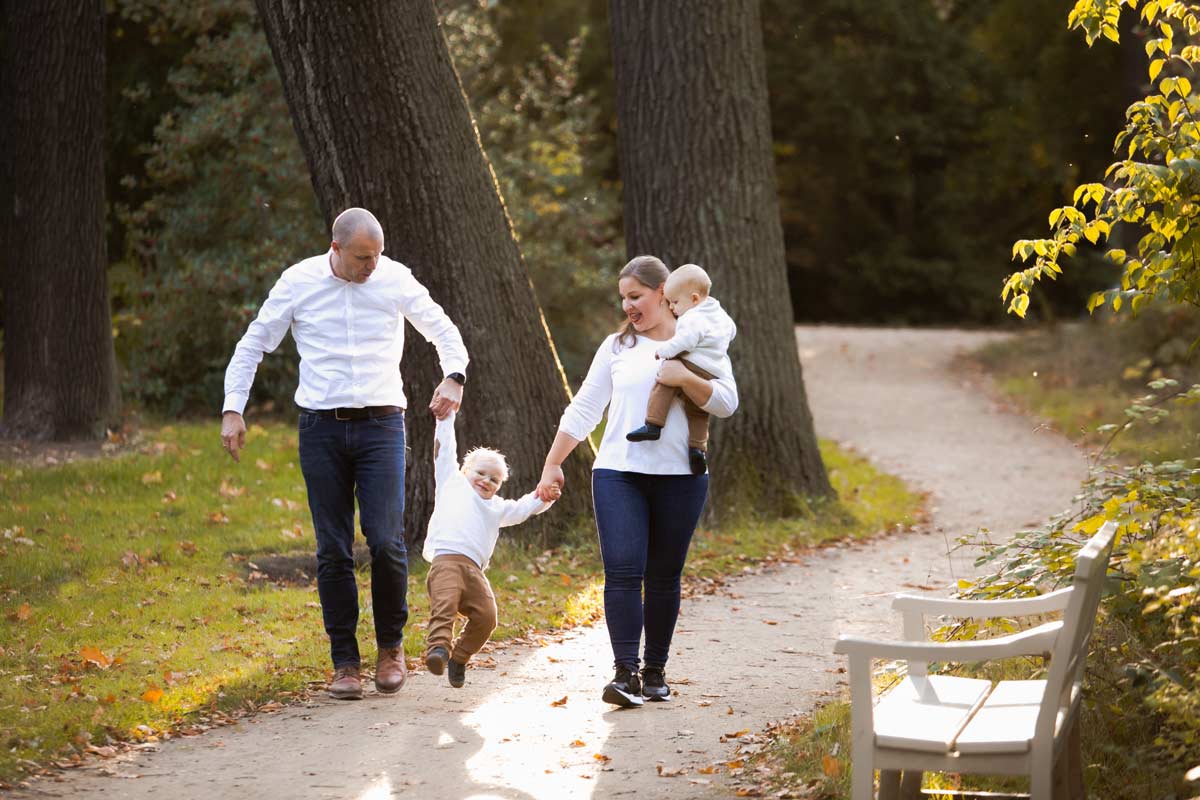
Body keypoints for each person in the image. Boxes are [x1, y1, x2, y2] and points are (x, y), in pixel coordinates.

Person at [219, 207, 468, 701]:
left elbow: (443, 330)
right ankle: (345, 662)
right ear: (335, 248)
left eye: (376, 256)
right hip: (321, 429)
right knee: (332, 547)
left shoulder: (394, 277)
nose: (372, 266)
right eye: (362, 258)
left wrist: (454, 377)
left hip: (382, 425)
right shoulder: (298, 281)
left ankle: (391, 648)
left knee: (386, 540)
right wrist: (233, 408)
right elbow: (253, 345)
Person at [535, 255, 739, 707]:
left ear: (663, 294)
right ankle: (624, 674)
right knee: (623, 571)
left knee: (664, 576)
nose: (627, 306)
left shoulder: (700, 340)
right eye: (623, 298)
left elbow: (727, 402)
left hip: (681, 478)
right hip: (618, 473)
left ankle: (655, 672)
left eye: (635, 296)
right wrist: (553, 463)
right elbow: (585, 408)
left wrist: (684, 376)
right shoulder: (617, 347)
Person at [421, 411, 559, 688]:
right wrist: (445, 418)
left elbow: (524, 508)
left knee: (487, 616)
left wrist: (545, 496)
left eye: (494, 480)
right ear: (465, 471)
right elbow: (445, 449)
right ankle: (438, 649)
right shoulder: (452, 484)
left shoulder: (497, 508)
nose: (486, 481)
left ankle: (459, 657)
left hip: (475, 572)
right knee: (445, 607)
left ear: (499, 486)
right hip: (446, 562)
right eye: (480, 473)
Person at [626, 263, 737, 475]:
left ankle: (653, 424)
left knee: (665, 382)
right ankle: (697, 449)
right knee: (698, 412)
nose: (672, 308)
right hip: (711, 372)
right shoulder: (719, 313)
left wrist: (664, 350)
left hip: (692, 363)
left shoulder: (692, 317)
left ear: (694, 299)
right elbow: (731, 331)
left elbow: (685, 341)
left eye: (675, 302)